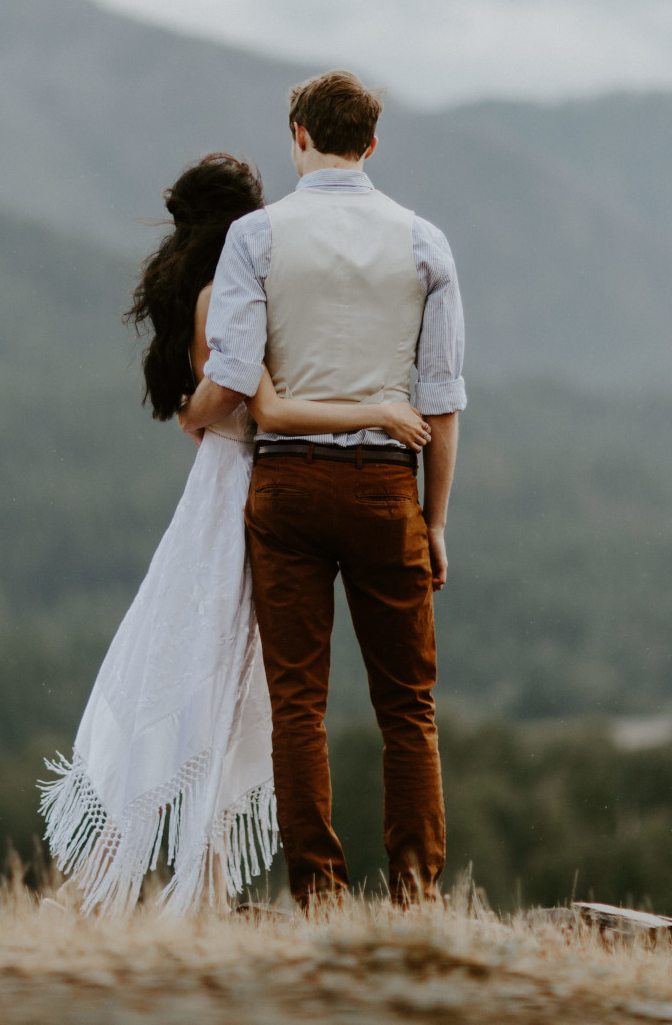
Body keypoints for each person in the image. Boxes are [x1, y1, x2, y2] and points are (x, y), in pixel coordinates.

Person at [40, 152, 432, 914]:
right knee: (215, 673)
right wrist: (378, 411)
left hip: (231, 481)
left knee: (228, 680)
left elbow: (206, 404)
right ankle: (162, 877)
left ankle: (203, 880)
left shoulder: (216, 288)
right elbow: (259, 408)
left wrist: (197, 412)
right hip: (242, 491)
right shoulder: (229, 293)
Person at [180, 71, 466, 907]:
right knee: (407, 705)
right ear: (372, 144)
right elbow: (442, 401)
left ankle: (320, 893)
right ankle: (415, 890)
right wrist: (435, 519)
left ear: (297, 134)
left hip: (289, 486)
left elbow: (231, 379)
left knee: (297, 702)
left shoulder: (259, 239)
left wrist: (189, 414)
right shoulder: (424, 243)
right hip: (386, 485)